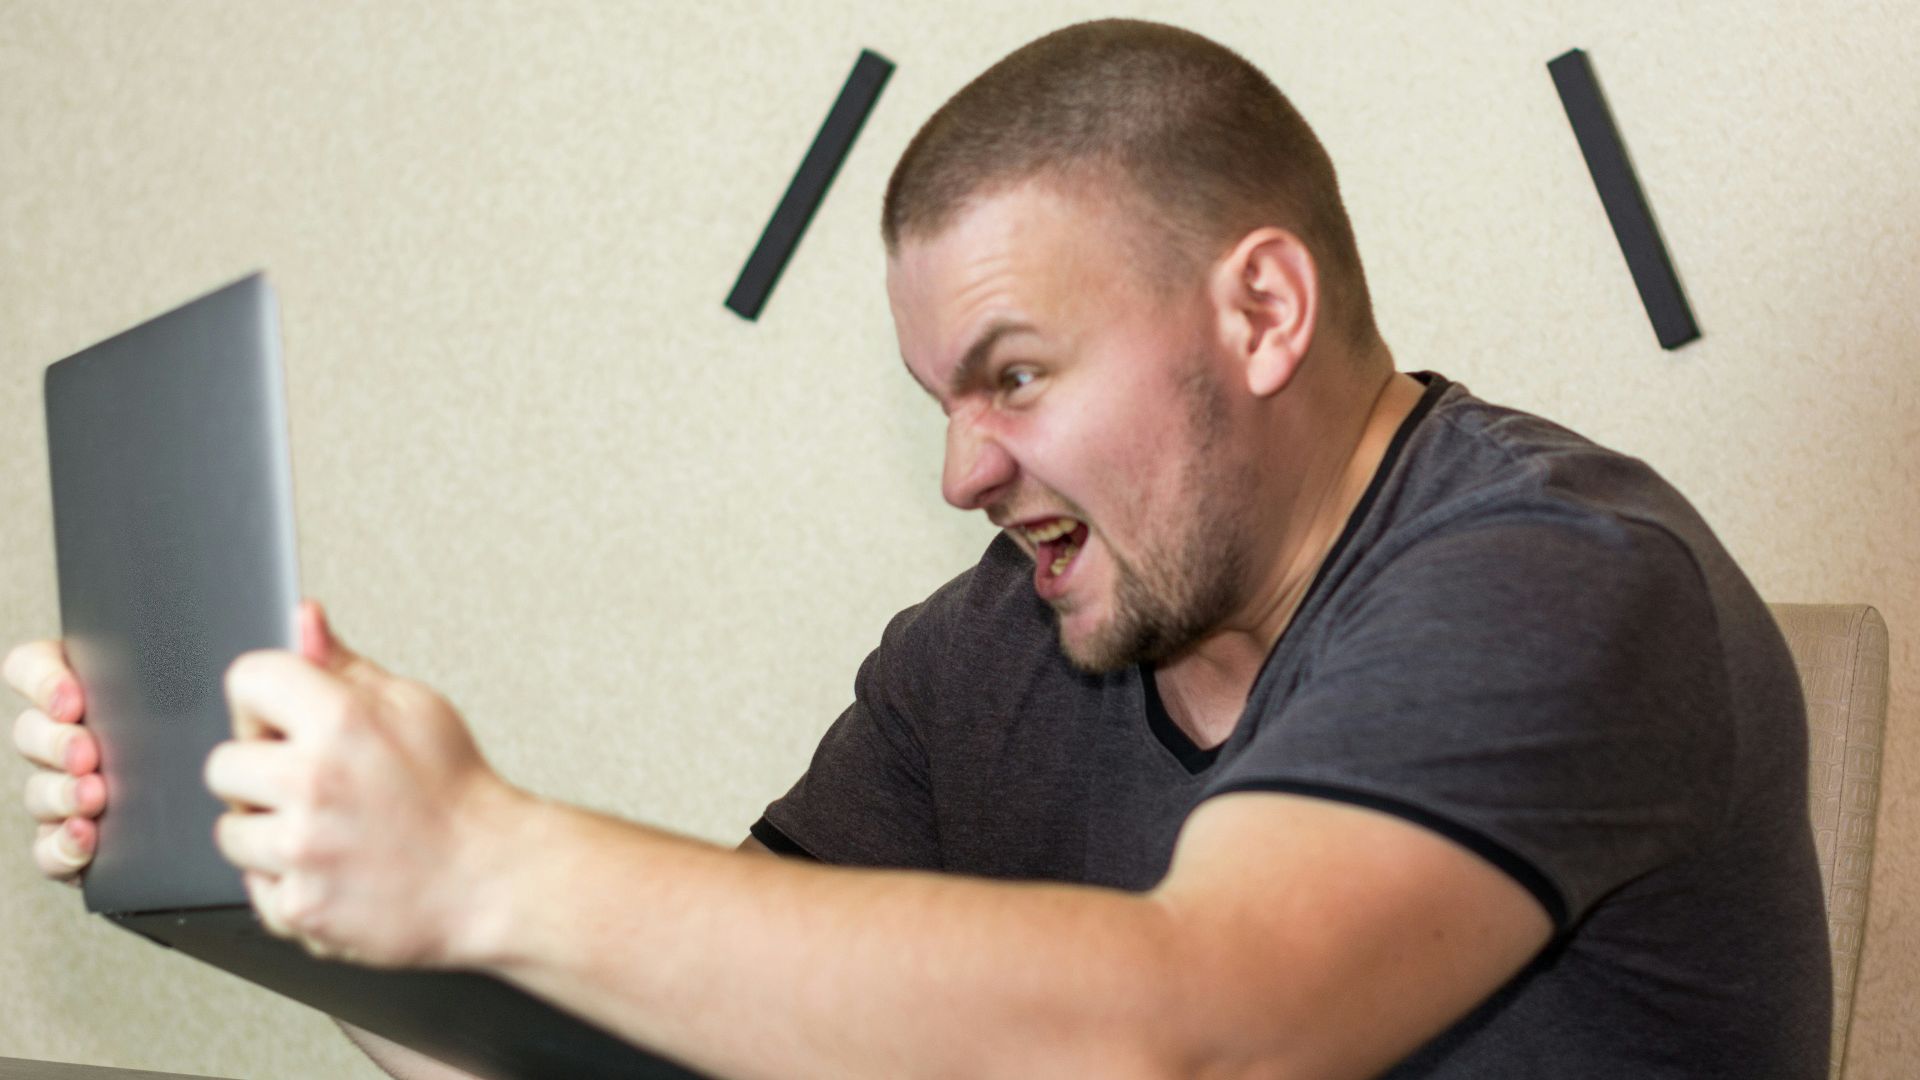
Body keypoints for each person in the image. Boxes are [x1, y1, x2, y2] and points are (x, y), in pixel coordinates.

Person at [9, 18, 1829, 1080]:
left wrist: (486, 857)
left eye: (1014, 376)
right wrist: (266, 871)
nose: (966, 470)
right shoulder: (988, 650)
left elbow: (1200, 1035)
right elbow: (676, 1048)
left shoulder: (1560, 578)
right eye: (938, 399)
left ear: (1263, 309)